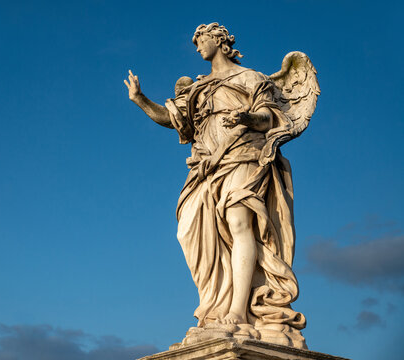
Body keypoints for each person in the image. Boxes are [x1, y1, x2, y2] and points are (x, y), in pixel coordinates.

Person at [124, 23, 306, 347]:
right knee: (189, 230)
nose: (197, 48)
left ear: (220, 41)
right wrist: (140, 99)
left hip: (244, 157)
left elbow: (268, 118)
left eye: (202, 40)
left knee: (239, 223)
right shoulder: (200, 88)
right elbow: (172, 119)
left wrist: (246, 118)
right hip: (206, 169)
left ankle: (238, 311)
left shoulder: (251, 79)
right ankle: (215, 306)